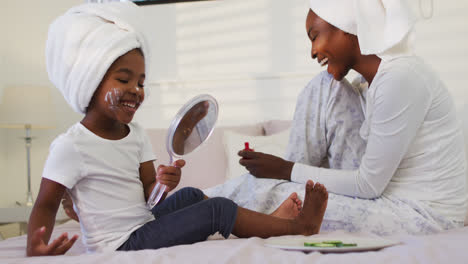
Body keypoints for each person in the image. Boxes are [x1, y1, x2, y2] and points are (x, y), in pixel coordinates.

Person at [26, 2, 329, 256]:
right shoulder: (71, 146)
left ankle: (268, 223)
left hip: (143, 224)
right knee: (218, 209)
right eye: (123, 79)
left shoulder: (137, 135)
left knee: (192, 194)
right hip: (120, 246)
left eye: (141, 82)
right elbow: (46, 203)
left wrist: (163, 183)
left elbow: (150, 197)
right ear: (89, 81)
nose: (136, 90)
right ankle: (298, 227)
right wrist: (35, 246)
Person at [206, 0, 467, 235]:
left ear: (347, 28)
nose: (312, 51)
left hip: (423, 214)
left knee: (285, 195)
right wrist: (283, 171)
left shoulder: (400, 77)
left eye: (315, 36)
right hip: (388, 196)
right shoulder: (371, 85)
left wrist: (285, 169)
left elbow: (368, 185)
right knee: (326, 86)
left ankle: (195, 203)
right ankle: (198, 202)